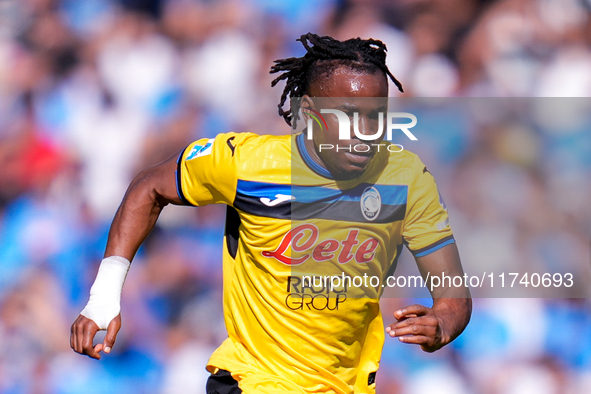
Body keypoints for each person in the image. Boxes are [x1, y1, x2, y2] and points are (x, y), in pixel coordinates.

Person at [70, 33, 471, 394]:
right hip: (254, 380)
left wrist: (440, 325)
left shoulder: (407, 180)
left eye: (375, 116)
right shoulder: (246, 163)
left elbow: (454, 298)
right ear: (310, 111)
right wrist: (104, 295)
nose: (364, 130)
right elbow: (149, 187)